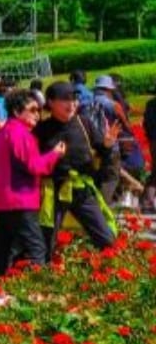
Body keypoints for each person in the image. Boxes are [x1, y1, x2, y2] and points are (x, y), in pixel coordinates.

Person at [33, 81, 117, 254]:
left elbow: (102, 152)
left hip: (81, 189)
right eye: (65, 100)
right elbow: (33, 161)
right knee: (46, 242)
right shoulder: (41, 129)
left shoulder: (84, 123)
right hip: (54, 191)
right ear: (51, 102)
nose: (71, 104)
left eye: (74, 99)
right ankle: (42, 276)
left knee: (106, 238)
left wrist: (107, 145)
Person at [0, 89, 64, 278]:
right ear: (16, 111)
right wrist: (54, 154)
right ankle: (39, 288)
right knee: (36, 247)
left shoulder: (5, 131)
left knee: (6, 248)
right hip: (19, 199)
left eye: (39, 110)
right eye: (33, 110)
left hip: (1, 199)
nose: (38, 115)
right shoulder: (19, 133)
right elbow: (34, 166)